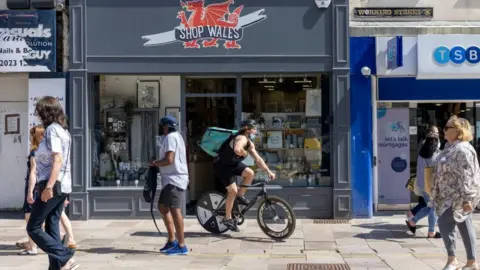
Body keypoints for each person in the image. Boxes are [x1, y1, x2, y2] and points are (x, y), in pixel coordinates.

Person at [26, 96, 78, 270]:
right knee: (51, 226)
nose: (38, 114)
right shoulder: (64, 131)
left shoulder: (52, 130)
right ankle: (56, 267)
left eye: (40, 111)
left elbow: (58, 159)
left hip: (52, 185)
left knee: (33, 227)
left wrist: (49, 187)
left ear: (46, 112)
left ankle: (64, 257)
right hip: (62, 185)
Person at [431, 116, 480, 270]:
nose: (443, 130)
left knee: (444, 222)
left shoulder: (463, 149)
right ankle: (471, 262)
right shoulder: (450, 147)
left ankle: (453, 260)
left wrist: (467, 199)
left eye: (447, 128)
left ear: (458, 131)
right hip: (447, 195)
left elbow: (467, 175)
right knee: (465, 225)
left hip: (457, 196)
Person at [214, 119, 276, 232]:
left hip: (233, 164)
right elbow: (237, 149)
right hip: (222, 165)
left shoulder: (249, 142)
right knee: (232, 190)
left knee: (250, 173)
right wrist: (245, 153)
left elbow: (258, 159)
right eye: (253, 128)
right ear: (247, 129)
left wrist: (268, 171)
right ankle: (227, 218)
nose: (255, 131)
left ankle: (239, 196)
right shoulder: (241, 138)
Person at [151, 116, 189, 256]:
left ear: (165, 126)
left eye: (162, 126)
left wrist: (155, 163)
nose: (161, 129)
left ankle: (181, 245)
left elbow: (169, 160)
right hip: (170, 179)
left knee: (175, 210)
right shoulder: (177, 136)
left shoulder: (171, 138)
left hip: (175, 179)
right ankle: (172, 240)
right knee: (162, 207)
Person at [406, 125, 441, 238]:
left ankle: (412, 221)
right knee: (434, 207)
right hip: (431, 184)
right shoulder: (434, 154)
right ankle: (431, 232)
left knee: (430, 207)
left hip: (423, 183)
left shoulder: (422, 152)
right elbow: (437, 170)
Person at [17, 125, 44, 255]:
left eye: (31, 135)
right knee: (39, 218)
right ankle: (33, 244)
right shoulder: (45, 151)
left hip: (33, 188)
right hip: (42, 186)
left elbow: (33, 172)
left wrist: (29, 192)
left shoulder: (34, 152)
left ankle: (33, 247)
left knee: (29, 218)